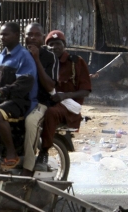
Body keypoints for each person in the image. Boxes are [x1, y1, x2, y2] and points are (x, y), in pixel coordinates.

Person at [0, 22, 38, 169]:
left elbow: (24, 83)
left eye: (5, 34)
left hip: (18, 101)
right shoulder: (0, 56)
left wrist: (3, 90)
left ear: (17, 35)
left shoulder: (24, 56)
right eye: (0, 34)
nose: (2, 37)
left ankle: (12, 153)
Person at [39, 30, 91, 165]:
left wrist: (65, 95)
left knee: (50, 113)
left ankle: (44, 152)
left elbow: (86, 90)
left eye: (58, 44)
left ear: (64, 45)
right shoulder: (44, 62)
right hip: (47, 100)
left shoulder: (76, 62)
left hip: (68, 106)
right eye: (51, 44)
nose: (54, 47)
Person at [22, 23, 56, 175]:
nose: (33, 38)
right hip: (20, 101)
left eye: (36, 35)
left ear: (43, 38)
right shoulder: (19, 54)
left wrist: (36, 59)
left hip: (40, 102)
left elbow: (49, 86)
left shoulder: (49, 57)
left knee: (31, 121)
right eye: (29, 34)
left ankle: (28, 167)